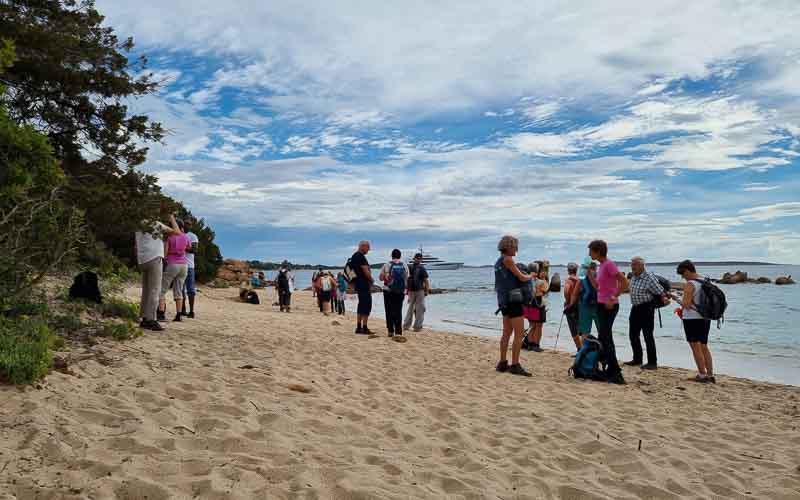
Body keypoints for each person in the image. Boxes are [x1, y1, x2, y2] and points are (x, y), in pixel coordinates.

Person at [588, 240, 629, 385]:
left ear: (598, 251)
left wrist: (613, 297)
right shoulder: (601, 266)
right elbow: (598, 288)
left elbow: (625, 282)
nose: (589, 254)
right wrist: (589, 275)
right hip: (601, 304)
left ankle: (616, 373)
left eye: (591, 251)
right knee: (604, 337)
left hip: (609, 306)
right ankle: (609, 369)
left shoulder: (609, 264)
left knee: (605, 338)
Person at [494, 235, 534, 376]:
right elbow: (521, 277)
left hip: (503, 301)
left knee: (506, 332)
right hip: (513, 300)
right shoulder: (508, 260)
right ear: (509, 247)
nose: (516, 249)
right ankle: (515, 364)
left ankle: (502, 362)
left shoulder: (498, 262)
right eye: (515, 247)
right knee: (519, 333)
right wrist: (531, 276)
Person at [134, 214, 180, 331]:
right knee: (155, 289)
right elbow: (177, 232)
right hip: (154, 257)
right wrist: (171, 217)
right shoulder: (157, 224)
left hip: (143, 259)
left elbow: (136, 246)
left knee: (146, 290)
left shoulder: (139, 224)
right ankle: (151, 319)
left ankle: (144, 318)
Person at [625, 257, 669, 370]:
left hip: (646, 308)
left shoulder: (649, 277)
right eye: (632, 264)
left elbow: (660, 291)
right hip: (635, 308)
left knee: (648, 336)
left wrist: (664, 298)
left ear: (642, 265)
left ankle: (652, 362)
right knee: (633, 335)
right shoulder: (633, 276)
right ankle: (637, 359)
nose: (632, 267)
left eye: (635, 264)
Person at [676, 260, 715, 383]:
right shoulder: (705, 280)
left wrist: (676, 298)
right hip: (705, 318)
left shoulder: (690, 284)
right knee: (704, 346)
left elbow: (686, 305)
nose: (682, 277)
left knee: (695, 347)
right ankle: (710, 375)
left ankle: (702, 375)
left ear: (688, 270)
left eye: (682, 274)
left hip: (692, 319)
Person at [157, 219, 192, 322]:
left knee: (162, 290)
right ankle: (178, 315)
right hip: (184, 265)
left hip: (172, 264)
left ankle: (161, 314)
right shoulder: (186, 237)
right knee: (179, 290)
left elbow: (165, 252)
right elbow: (189, 247)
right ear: (181, 227)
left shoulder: (169, 237)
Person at [379, 249, 410, 337]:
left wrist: (386, 277)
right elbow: (407, 278)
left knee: (389, 310)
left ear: (391, 255)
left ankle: (390, 331)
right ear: (400, 256)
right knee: (398, 310)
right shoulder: (404, 265)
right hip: (400, 291)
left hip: (388, 290)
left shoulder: (386, 264)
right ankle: (398, 331)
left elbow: (380, 278)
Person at [569, 258, 600, 342]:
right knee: (601, 331)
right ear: (596, 268)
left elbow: (575, 293)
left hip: (584, 306)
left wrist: (571, 305)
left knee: (585, 333)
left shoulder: (582, 278)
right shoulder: (599, 276)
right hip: (598, 306)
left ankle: (585, 349)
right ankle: (603, 349)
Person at [351, 241, 374, 334]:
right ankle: (364, 327)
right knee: (367, 305)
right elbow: (365, 271)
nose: (369, 249)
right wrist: (372, 280)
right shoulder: (360, 256)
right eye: (368, 247)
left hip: (358, 284)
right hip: (363, 284)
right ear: (362, 246)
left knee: (361, 304)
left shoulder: (354, 256)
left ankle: (358, 327)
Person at [403, 252, 430, 332]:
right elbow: (426, 281)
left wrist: (406, 289)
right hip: (418, 290)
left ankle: (407, 326)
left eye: (419, 258)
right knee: (419, 309)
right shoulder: (421, 268)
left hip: (413, 291)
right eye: (417, 258)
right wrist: (427, 290)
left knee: (412, 308)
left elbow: (405, 279)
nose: (418, 260)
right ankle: (417, 327)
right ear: (414, 258)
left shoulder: (409, 267)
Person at [180, 217, 200, 318]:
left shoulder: (193, 236)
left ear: (191, 225)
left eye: (189, 224)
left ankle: (191, 311)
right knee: (180, 289)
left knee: (191, 289)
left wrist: (181, 247)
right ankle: (182, 310)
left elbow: (195, 250)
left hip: (189, 266)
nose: (187, 225)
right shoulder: (178, 234)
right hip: (179, 264)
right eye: (186, 223)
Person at [563, 262, 582, 351]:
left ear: (568, 270)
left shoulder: (569, 280)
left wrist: (567, 300)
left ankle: (579, 348)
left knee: (573, 329)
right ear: (576, 270)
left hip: (571, 306)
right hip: (580, 305)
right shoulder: (579, 280)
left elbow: (566, 290)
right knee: (581, 328)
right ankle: (583, 348)